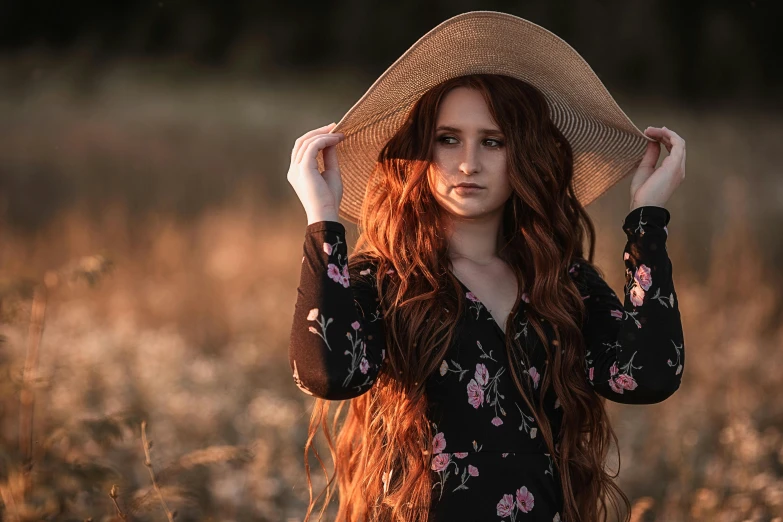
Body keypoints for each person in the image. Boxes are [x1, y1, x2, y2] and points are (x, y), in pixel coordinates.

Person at [287, 12, 686, 522]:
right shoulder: (383, 281)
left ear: (526, 154)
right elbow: (328, 374)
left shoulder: (563, 282)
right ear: (420, 149)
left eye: (492, 142)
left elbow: (648, 376)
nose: (468, 163)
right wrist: (322, 221)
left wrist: (647, 221)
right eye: (448, 138)